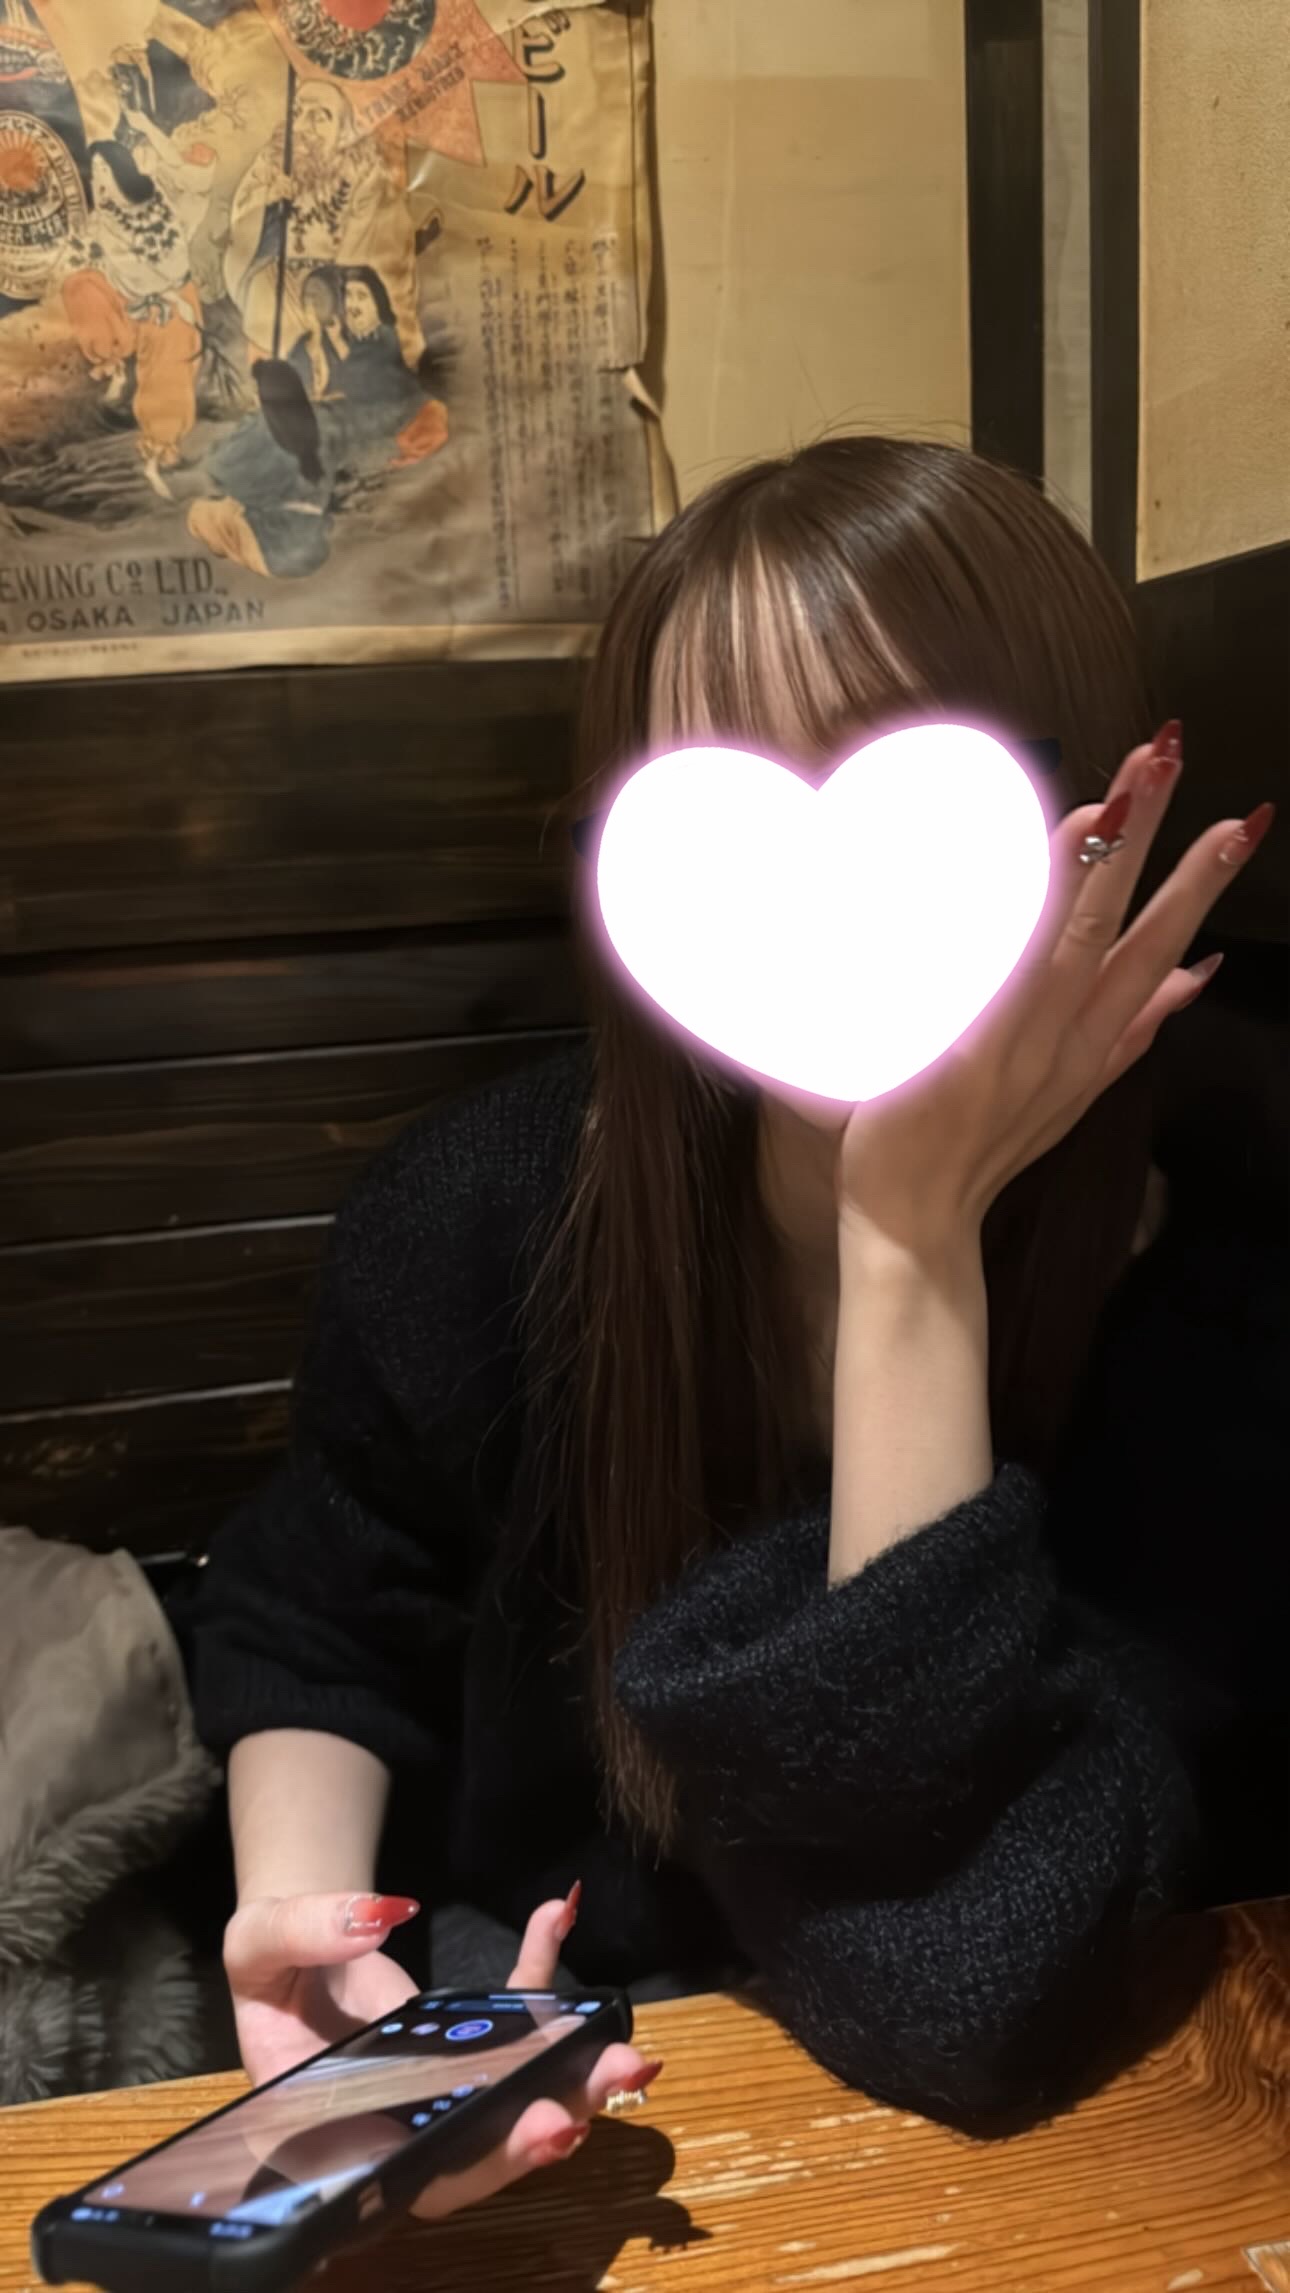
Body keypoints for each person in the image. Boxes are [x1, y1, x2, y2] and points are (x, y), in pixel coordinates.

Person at [178, 437, 1285, 2215]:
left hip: (1003, 2162)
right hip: (546, 2031)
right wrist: (311, 1944)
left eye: (915, 796)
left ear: (1114, 831)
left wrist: (908, 1237)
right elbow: (320, 1611)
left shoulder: (1223, 1303)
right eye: (722, 813)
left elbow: (969, 1980)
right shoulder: (481, 1216)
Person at [60, 137, 201, 498]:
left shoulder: (155, 199)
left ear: (120, 169)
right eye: (95, 171)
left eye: (104, 169)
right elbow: (118, 272)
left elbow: (175, 259)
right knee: (79, 286)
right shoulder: (103, 218)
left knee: (168, 368)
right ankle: (114, 366)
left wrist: (169, 297)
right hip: (135, 300)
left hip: (174, 301)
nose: (99, 178)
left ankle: (158, 452)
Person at [186, 356, 333, 578]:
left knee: (200, 513)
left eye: (257, 390)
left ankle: (241, 550)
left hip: (275, 555)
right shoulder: (314, 424)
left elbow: (216, 468)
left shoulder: (260, 429)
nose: (254, 396)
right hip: (316, 551)